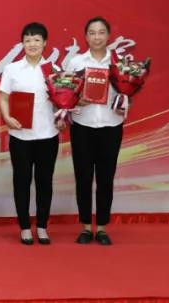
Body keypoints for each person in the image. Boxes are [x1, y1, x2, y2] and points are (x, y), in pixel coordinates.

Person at [0, 22, 62, 245]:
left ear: (45, 43)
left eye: (36, 40)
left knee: (45, 182)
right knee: (21, 181)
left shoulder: (55, 70)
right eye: (27, 40)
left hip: (48, 135)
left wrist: (62, 117)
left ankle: (42, 226)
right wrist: (7, 117)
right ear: (22, 44)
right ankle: (25, 227)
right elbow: (3, 97)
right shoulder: (12, 69)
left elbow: (63, 100)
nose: (32, 44)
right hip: (20, 136)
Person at [67, 16, 124, 246]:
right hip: (83, 126)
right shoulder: (76, 62)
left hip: (111, 126)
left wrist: (123, 104)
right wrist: (75, 100)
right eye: (92, 33)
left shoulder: (119, 63)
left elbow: (127, 92)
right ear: (86, 36)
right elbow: (65, 93)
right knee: (83, 177)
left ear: (108, 35)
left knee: (105, 178)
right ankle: (85, 227)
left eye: (101, 32)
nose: (97, 37)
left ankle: (101, 227)